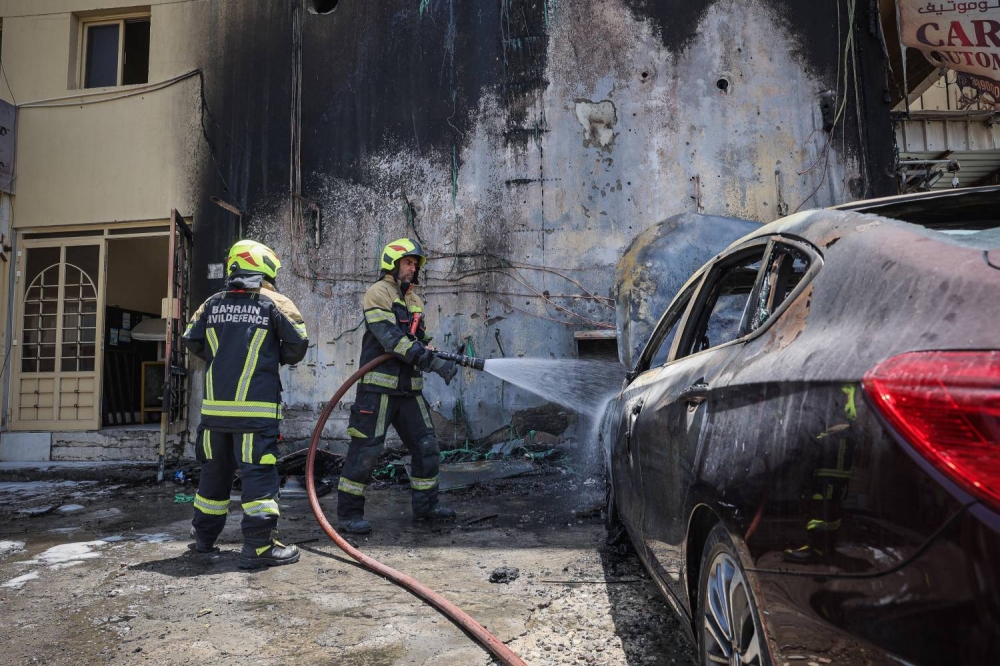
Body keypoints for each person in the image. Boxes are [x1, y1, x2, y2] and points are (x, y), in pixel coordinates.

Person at [183, 239, 309, 569]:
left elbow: (191, 340)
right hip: (255, 412)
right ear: (264, 268)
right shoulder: (274, 301)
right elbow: (297, 346)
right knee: (258, 479)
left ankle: (204, 540)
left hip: (214, 413)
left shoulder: (211, 303)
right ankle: (258, 547)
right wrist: (269, 355)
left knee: (213, 476)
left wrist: (223, 356)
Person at [336, 237, 458, 534]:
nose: (412, 269)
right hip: (378, 389)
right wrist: (431, 362)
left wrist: (437, 354)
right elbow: (392, 339)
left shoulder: (414, 300)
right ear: (392, 265)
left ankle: (426, 506)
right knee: (366, 451)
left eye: (415, 264)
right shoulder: (377, 294)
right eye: (407, 262)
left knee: (427, 446)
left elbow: (419, 341)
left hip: (409, 389)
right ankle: (349, 515)